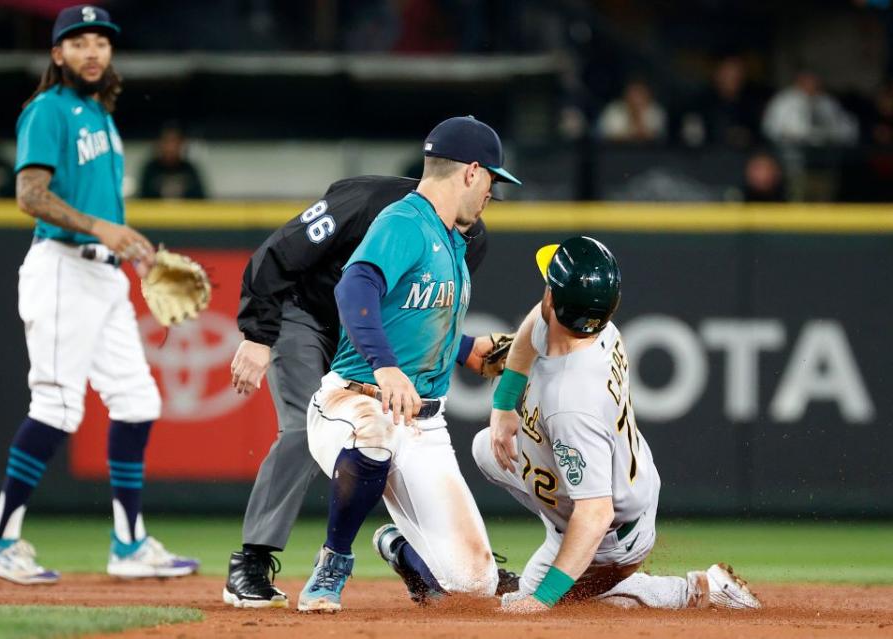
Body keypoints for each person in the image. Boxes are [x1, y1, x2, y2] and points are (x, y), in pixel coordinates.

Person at [0, 5, 198, 586]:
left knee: (137, 401)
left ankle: (128, 544)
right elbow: (29, 194)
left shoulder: (98, 114)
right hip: (63, 269)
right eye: (79, 42)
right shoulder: (47, 110)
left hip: (103, 275)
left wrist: (131, 247)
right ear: (57, 54)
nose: (92, 51)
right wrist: (101, 230)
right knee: (57, 406)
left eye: (101, 41)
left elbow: (102, 213)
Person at [224, 174, 495, 608]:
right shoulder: (369, 202)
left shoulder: (471, 238)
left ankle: (429, 553)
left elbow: (414, 317)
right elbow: (278, 251)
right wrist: (257, 333)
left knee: (398, 434)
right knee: (300, 427)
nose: (486, 202)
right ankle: (253, 559)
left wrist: (462, 349)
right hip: (308, 314)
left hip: (368, 337)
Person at [295, 116, 521, 613]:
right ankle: (333, 561)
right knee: (373, 436)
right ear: (471, 172)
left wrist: (467, 350)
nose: (492, 194)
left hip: (422, 423)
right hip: (353, 399)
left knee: (474, 584)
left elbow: (413, 317)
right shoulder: (405, 221)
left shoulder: (453, 241)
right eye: (491, 180)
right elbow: (354, 287)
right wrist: (385, 366)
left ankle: (397, 545)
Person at [472, 237, 762, 614]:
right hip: (612, 480)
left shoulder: (571, 403)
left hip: (609, 535)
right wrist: (503, 405)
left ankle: (697, 590)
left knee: (522, 606)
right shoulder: (595, 328)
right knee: (486, 448)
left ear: (552, 300)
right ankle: (568, 561)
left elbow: (594, 516)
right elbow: (534, 323)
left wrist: (542, 600)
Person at [762, 70, 858, 146]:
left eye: (814, 81)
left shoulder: (827, 102)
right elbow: (770, 127)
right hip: (793, 148)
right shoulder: (783, 100)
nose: (811, 84)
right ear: (798, 82)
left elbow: (844, 125)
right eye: (807, 81)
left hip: (826, 148)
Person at [138, 123, 207, 199]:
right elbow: (142, 199)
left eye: (174, 142)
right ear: (160, 143)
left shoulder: (189, 170)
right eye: (167, 142)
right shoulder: (151, 169)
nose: (170, 147)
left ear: (181, 144)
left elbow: (201, 200)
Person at [597, 79, 667, 143]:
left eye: (640, 93)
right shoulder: (614, 110)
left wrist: (638, 116)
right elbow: (609, 138)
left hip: (648, 154)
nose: (636, 98)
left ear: (648, 95)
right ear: (625, 94)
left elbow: (654, 138)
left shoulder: (656, 111)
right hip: (616, 153)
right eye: (633, 93)